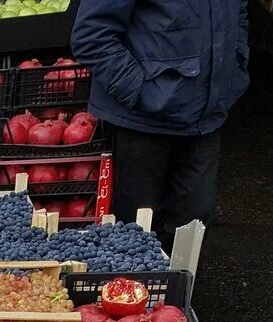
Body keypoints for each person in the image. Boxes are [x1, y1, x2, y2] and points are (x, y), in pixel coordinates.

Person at [71, 0, 249, 251]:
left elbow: (238, 13)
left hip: (204, 118)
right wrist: (140, 90)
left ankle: (177, 287)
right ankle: (135, 287)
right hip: (140, 123)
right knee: (134, 231)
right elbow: (91, 34)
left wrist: (235, 71)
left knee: (194, 221)